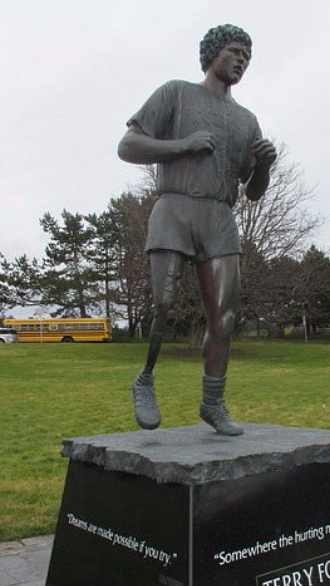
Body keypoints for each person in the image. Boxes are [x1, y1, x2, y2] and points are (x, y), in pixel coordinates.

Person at [118, 23, 276, 435]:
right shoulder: (176, 93)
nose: (242, 61)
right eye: (236, 52)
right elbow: (128, 146)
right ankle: (146, 378)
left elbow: (254, 192)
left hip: (219, 217)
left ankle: (213, 402)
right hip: (174, 207)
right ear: (213, 54)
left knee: (224, 317)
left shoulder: (246, 120)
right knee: (162, 304)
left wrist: (264, 166)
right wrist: (182, 145)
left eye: (247, 57)